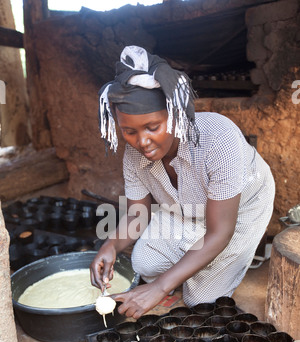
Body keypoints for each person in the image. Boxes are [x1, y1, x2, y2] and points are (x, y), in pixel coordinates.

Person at [90, 45, 275, 320]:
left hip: (237, 211)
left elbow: (219, 232)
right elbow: (137, 214)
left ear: (174, 115)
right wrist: (110, 246)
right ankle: (192, 264)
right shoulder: (134, 155)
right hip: (186, 209)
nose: (142, 142)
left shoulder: (217, 139)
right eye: (129, 131)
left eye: (152, 127)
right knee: (143, 263)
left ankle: (206, 272)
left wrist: (161, 287)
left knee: (199, 300)